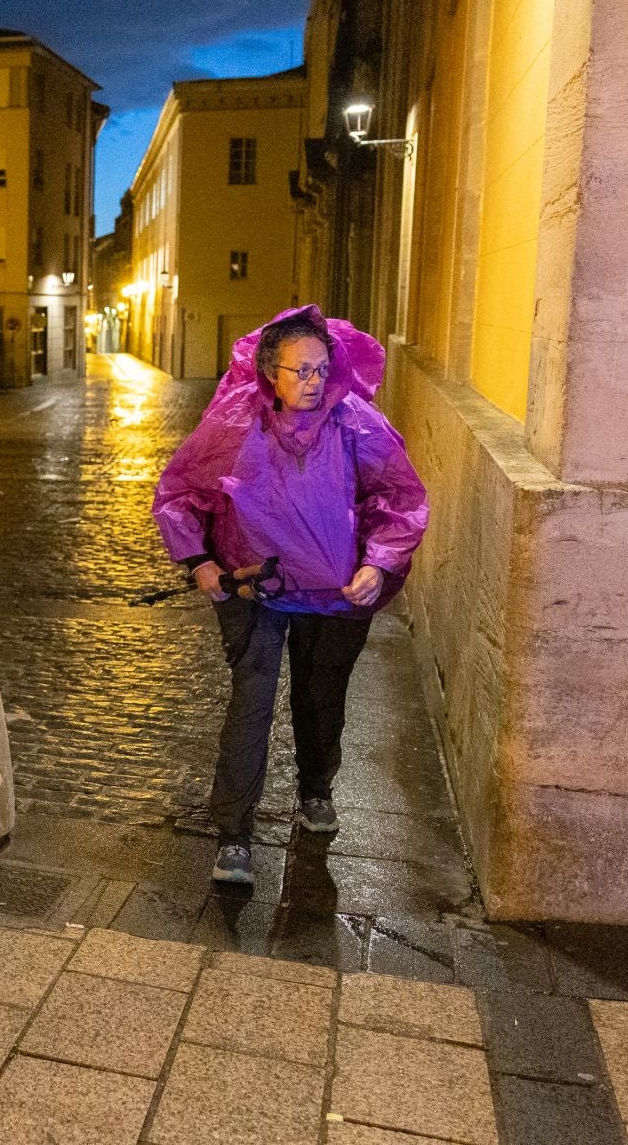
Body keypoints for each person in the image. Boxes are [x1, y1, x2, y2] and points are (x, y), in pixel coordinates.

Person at [152, 305, 428, 886]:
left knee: (321, 695)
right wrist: (199, 560)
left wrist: (378, 563)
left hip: (335, 593)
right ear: (269, 373)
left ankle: (316, 789)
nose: (313, 381)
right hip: (256, 586)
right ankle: (234, 836)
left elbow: (399, 498)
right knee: (251, 704)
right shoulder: (234, 423)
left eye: (321, 369)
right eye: (300, 370)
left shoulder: (356, 423)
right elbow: (180, 492)